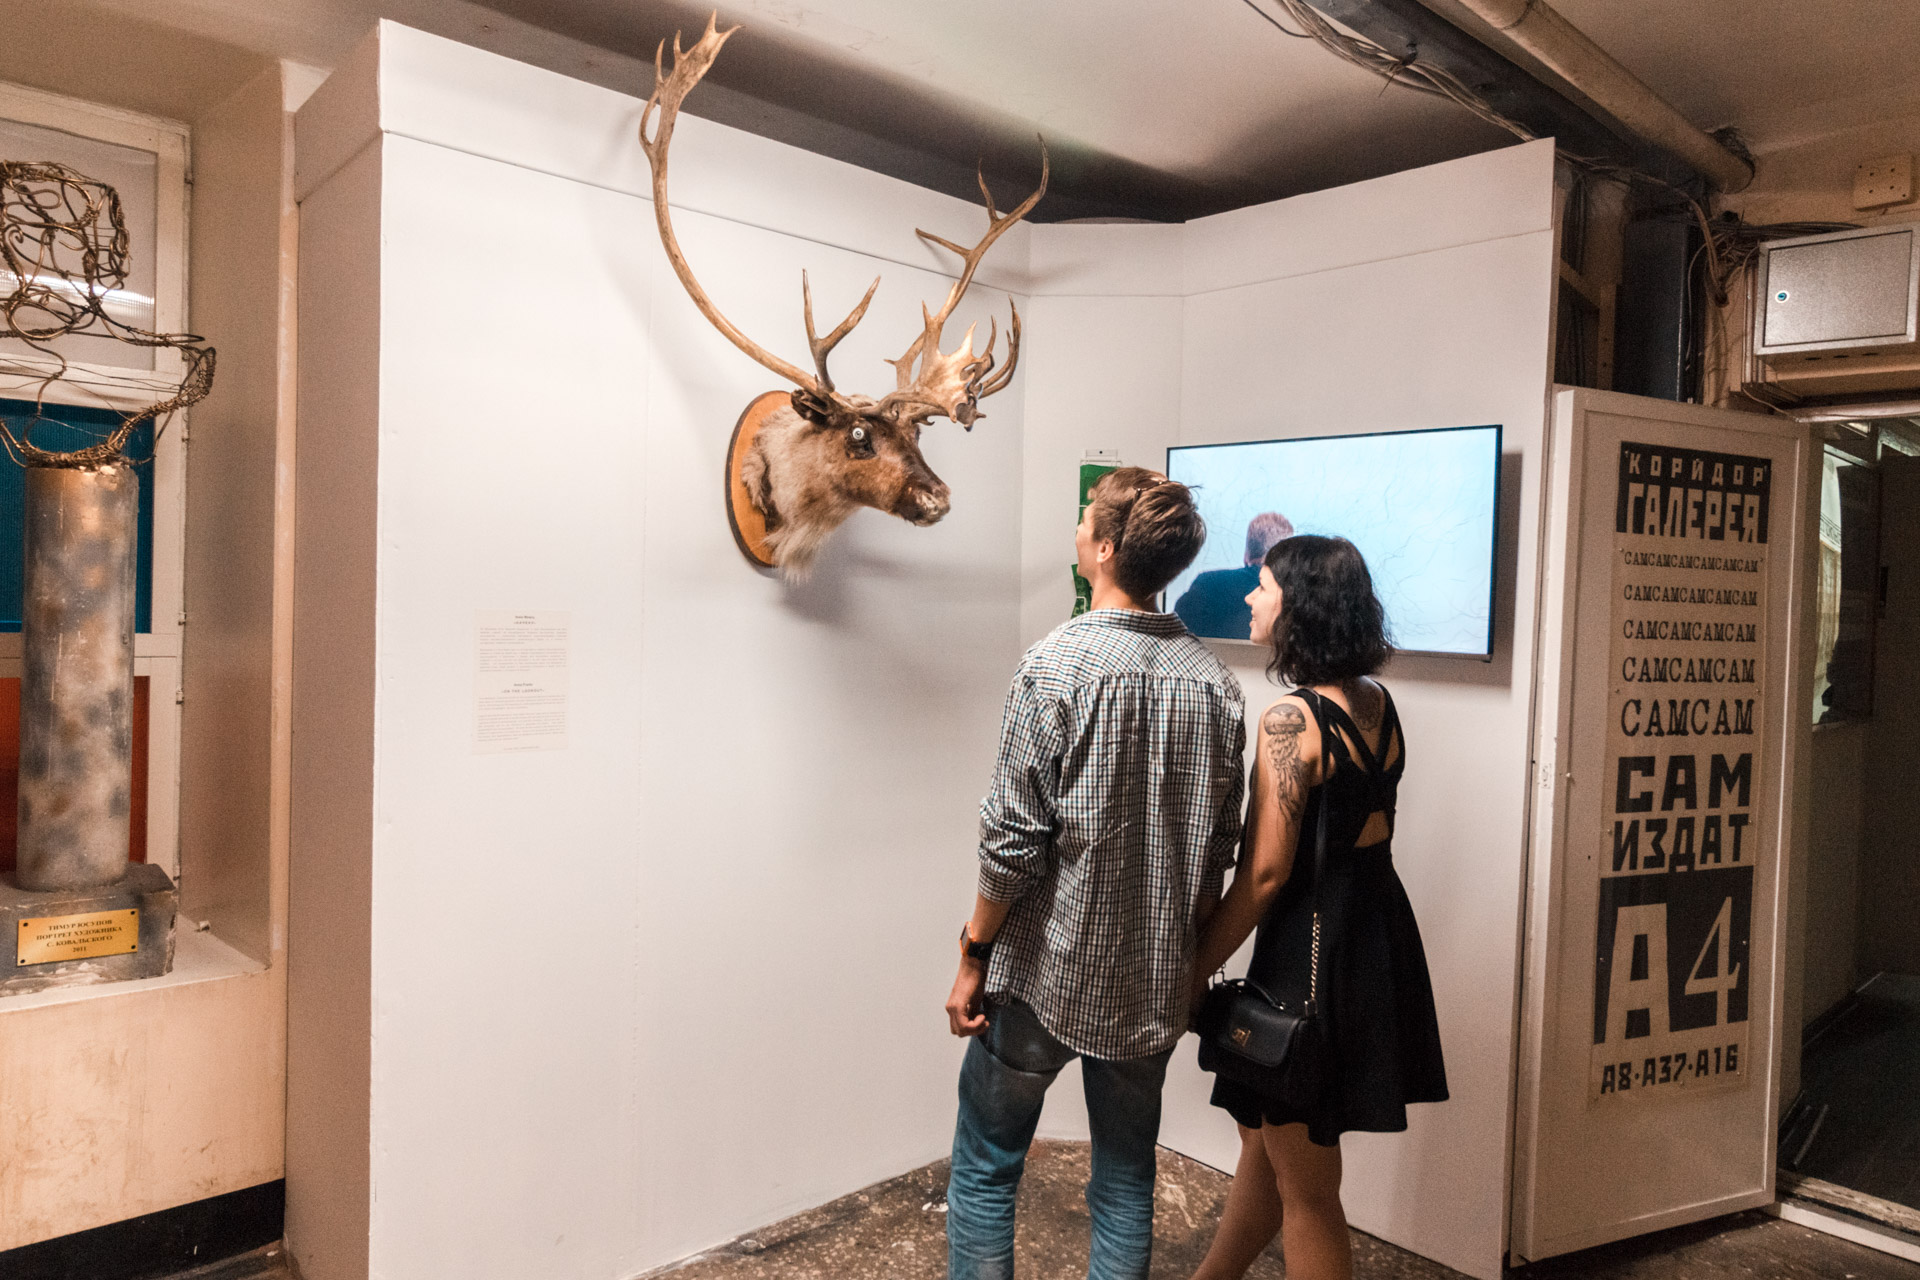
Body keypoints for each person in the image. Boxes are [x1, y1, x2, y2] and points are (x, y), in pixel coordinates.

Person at [944, 466, 1247, 1280]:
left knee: (986, 1168)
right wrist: (1188, 967)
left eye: (1086, 520)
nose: (1078, 530)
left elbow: (1012, 842)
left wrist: (973, 955)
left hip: (1042, 975)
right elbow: (1218, 851)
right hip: (1151, 979)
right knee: (1125, 1182)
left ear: (1106, 549)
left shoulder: (1054, 667)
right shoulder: (1217, 686)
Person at [1187, 535, 1448, 1280]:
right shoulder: (1375, 703)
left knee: (1307, 1192)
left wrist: (1192, 972)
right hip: (1371, 938)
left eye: (1264, 586)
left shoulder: (1291, 720)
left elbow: (1266, 874)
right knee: (1268, 1147)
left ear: (1299, 605)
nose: (1250, 596)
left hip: (1307, 953)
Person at [1173, 512, 1294, 639]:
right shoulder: (1296, 597)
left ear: (1246, 555)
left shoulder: (1207, 584)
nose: (1249, 599)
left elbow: (1176, 633)